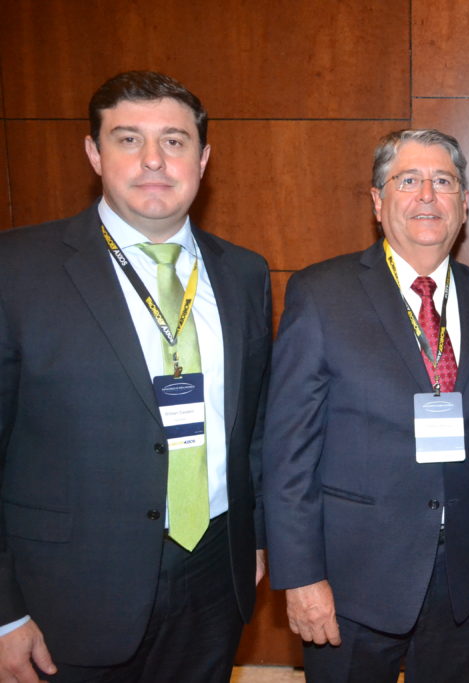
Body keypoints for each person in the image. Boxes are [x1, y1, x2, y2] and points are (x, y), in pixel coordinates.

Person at [0, 71, 272, 682]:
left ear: (203, 159)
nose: (154, 159)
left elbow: (253, 426)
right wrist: (2, 614)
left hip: (214, 573)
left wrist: (253, 539)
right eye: (128, 139)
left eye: (174, 141)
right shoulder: (15, 271)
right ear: (94, 153)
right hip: (66, 593)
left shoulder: (244, 274)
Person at [262, 129, 469, 682]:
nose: (427, 195)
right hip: (352, 580)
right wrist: (301, 575)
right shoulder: (322, 294)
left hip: (464, 579)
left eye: (443, 181)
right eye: (408, 180)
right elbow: (288, 452)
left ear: (465, 203)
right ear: (377, 201)